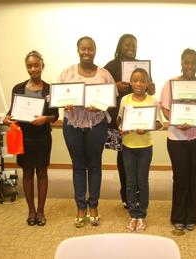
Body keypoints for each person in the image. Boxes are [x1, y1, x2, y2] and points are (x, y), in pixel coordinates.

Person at [160, 48, 196, 232]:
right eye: (186, 62)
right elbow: (165, 110)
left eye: (193, 62)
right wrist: (177, 122)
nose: (190, 66)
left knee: (195, 177)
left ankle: (192, 216)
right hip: (176, 138)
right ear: (181, 63)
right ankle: (178, 216)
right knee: (180, 177)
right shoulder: (171, 84)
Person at [58, 36, 115, 227]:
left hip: (96, 125)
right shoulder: (67, 73)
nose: (86, 52)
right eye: (83, 49)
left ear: (95, 50)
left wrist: (101, 107)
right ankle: (80, 206)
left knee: (95, 165)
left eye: (90, 49)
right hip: (72, 124)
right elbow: (58, 97)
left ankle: (94, 206)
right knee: (78, 165)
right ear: (77, 50)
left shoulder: (104, 74)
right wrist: (63, 104)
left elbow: (111, 101)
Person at [3, 50, 59, 226]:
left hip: (42, 137)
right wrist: (6, 118)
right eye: (30, 66)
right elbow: (12, 113)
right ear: (26, 67)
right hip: (24, 137)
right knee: (27, 173)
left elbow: (55, 115)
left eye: (36, 65)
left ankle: (41, 211)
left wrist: (45, 119)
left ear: (42, 66)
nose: (33, 68)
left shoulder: (50, 89)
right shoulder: (18, 88)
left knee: (42, 172)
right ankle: (31, 211)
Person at [104, 34, 155, 209]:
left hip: (141, 121)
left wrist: (152, 87)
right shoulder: (110, 66)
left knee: (139, 161)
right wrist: (115, 88)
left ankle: (139, 193)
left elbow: (150, 89)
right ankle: (126, 194)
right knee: (123, 156)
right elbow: (101, 91)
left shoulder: (142, 67)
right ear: (120, 46)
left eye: (133, 45)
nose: (130, 47)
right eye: (127, 44)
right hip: (120, 120)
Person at [116, 68, 163, 232]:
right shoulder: (125, 100)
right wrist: (123, 128)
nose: (138, 84)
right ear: (130, 82)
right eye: (135, 80)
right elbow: (120, 121)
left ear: (147, 84)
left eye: (142, 81)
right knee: (130, 182)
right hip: (128, 147)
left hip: (145, 148)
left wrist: (148, 128)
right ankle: (132, 215)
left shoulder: (153, 101)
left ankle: (142, 215)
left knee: (142, 182)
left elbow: (159, 123)